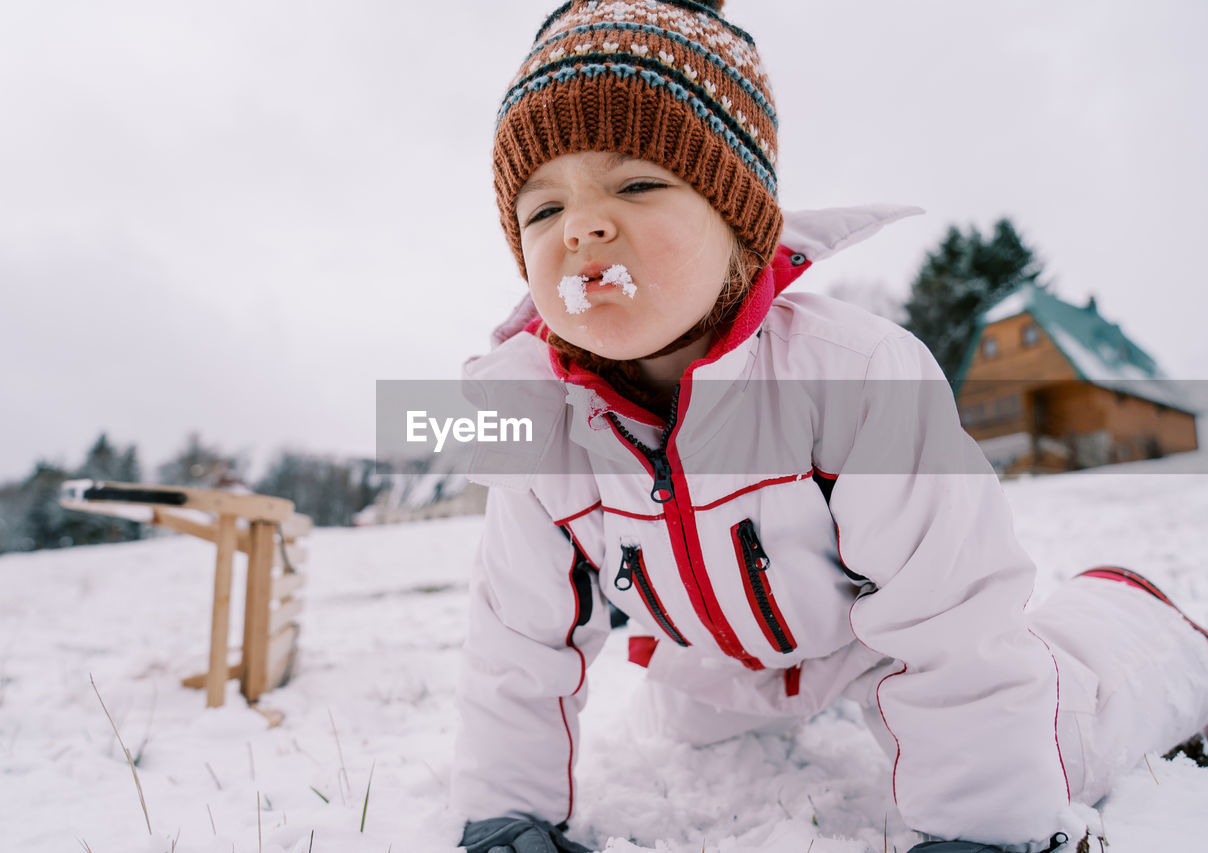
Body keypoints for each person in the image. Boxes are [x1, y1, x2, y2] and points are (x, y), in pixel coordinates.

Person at [450, 2, 1208, 851]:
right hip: (712, 663)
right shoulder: (537, 429)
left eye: (636, 183)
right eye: (542, 210)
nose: (582, 225)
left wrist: (982, 828)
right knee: (689, 735)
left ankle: (1140, 624)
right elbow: (518, 641)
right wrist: (504, 814)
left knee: (1047, 739)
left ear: (740, 222)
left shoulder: (854, 376)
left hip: (869, 641)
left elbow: (949, 619)